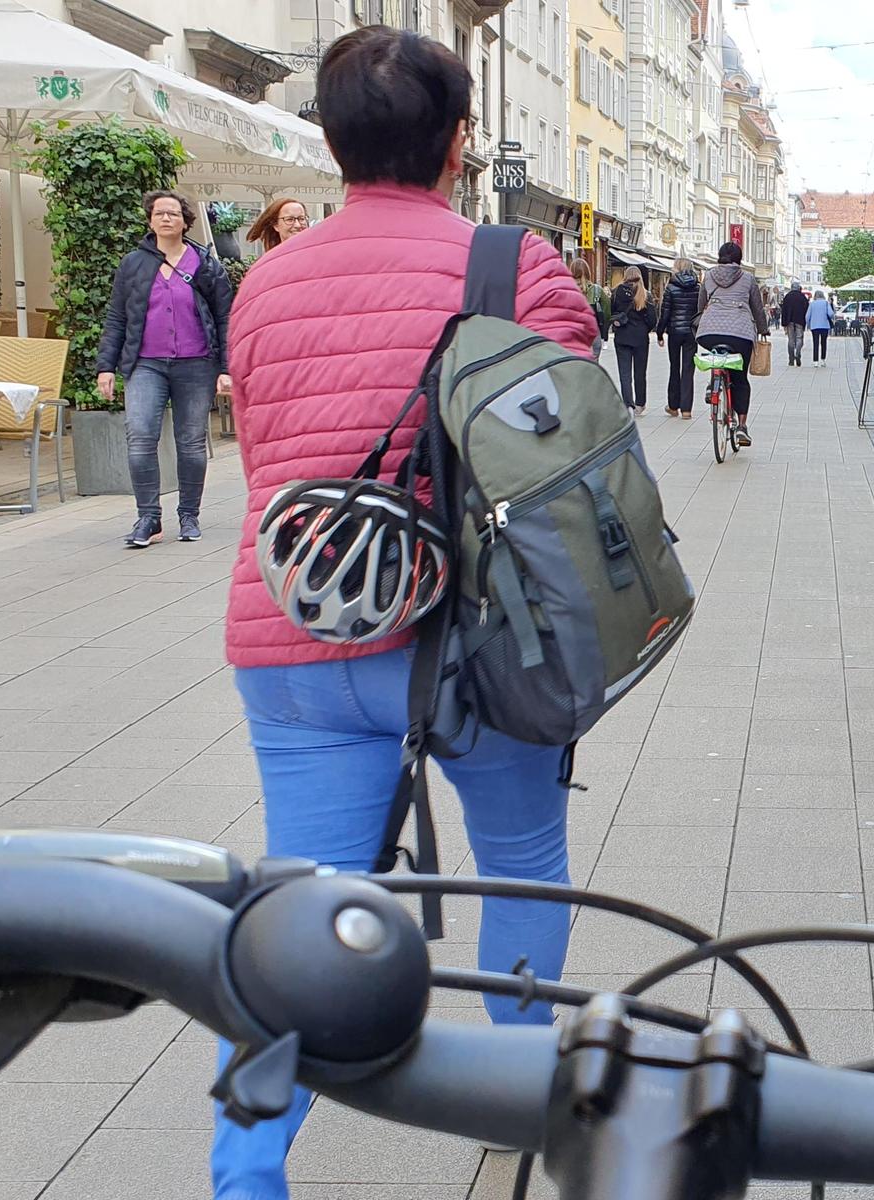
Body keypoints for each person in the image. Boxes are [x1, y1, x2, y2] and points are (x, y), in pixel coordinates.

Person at [220, 26, 596, 1200]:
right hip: (474, 640)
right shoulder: (519, 263)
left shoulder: (266, 280)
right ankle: (519, 1104)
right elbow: (574, 454)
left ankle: (246, 1170)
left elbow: (270, 460)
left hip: (298, 632)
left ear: (334, 142)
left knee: (299, 913)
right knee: (521, 862)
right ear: (459, 140)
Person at [95, 189, 235, 549]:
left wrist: (227, 367)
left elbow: (224, 317)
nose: (166, 219)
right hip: (145, 363)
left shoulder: (205, 263)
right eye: (160, 213)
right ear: (150, 219)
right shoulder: (133, 264)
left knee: (190, 443)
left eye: (173, 214)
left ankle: (189, 514)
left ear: (185, 221)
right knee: (140, 436)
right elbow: (117, 317)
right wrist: (105, 367)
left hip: (196, 363)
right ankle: (148, 517)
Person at [695, 240, 769, 447]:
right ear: (739, 258)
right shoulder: (747, 278)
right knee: (740, 378)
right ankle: (742, 428)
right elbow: (757, 308)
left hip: (708, 332)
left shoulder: (708, 275)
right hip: (740, 334)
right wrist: (763, 329)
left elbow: (700, 305)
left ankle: (714, 385)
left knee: (718, 355)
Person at [610, 265, 657, 416]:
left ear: (625, 276)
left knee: (624, 373)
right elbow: (652, 319)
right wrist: (644, 329)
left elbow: (612, 312)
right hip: (640, 338)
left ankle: (628, 404)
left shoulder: (616, 292)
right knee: (640, 372)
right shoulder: (645, 294)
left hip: (622, 337)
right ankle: (640, 403)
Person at [657, 257, 701, 417]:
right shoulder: (697, 287)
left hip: (675, 332)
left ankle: (673, 406)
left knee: (674, 367)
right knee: (688, 370)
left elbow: (665, 313)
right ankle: (687, 409)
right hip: (691, 333)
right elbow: (700, 310)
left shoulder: (671, 287)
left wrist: (660, 332)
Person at [571, 256, 608, 359]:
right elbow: (607, 313)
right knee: (592, 365)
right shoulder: (597, 290)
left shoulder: (566, 289)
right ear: (588, 272)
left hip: (573, 333)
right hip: (593, 333)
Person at [244, 197, 310, 255]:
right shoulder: (271, 261)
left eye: (301, 219)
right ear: (276, 225)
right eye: (289, 219)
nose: (297, 225)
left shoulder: (317, 255)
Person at [780, 280, 809, 366]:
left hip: (789, 321)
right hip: (800, 320)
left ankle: (791, 359)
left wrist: (784, 323)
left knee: (791, 340)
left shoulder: (787, 297)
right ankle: (798, 353)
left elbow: (784, 310)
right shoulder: (802, 297)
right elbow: (806, 310)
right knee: (799, 338)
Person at [806, 287, 834, 365]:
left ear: (815, 296)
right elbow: (831, 314)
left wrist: (808, 324)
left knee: (815, 343)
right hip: (825, 326)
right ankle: (823, 359)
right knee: (823, 343)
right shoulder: (826, 303)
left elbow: (807, 316)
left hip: (814, 326)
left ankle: (815, 361)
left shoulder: (812, 304)